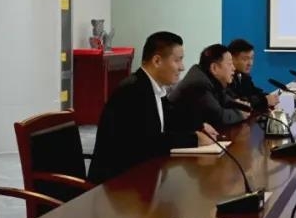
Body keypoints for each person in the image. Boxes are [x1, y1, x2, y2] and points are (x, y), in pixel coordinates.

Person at [88, 32, 216, 184]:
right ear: (157, 61)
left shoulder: (153, 88)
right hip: (117, 185)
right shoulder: (133, 90)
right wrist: (194, 139)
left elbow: (172, 118)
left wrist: (199, 126)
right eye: (177, 60)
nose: (182, 67)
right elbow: (149, 142)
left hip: (140, 176)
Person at [168, 43, 252, 129]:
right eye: (229, 64)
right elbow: (218, 118)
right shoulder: (199, 84)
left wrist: (239, 105)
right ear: (214, 68)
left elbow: (223, 99)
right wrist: (240, 114)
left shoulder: (209, 78)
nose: (233, 68)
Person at [227, 38, 278, 112]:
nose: (250, 63)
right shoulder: (226, 77)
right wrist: (264, 100)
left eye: (251, 58)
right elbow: (238, 101)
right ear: (232, 58)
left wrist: (268, 97)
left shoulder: (243, 76)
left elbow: (253, 92)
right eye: (245, 59)